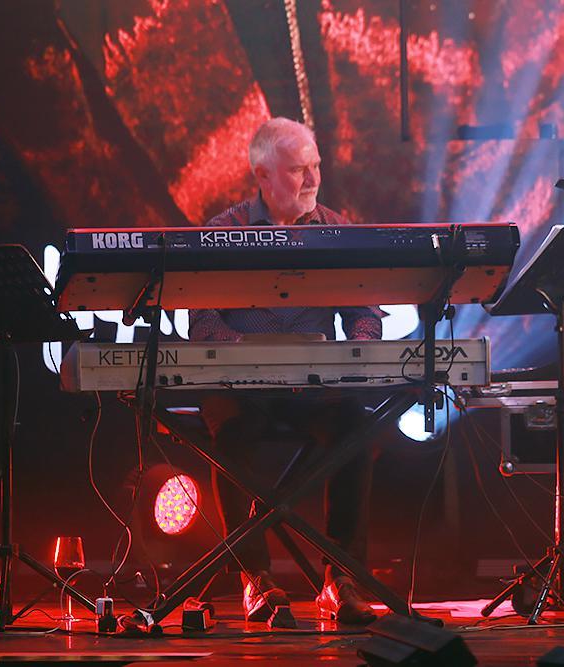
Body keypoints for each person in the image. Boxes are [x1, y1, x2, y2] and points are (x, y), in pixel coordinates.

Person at [188, 117, 381, 626]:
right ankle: (255, 578)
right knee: (232, 437)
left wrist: (356, 350)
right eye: (298, 170)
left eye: (316, 166)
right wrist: (249, 354)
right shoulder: (222, 233)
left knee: (357, 429)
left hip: (314, 386)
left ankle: (340, 579)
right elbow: (202, 323)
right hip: (240, 386)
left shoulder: (337, 230)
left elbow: (365, 312)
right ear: (263, 175)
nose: (313, 179)